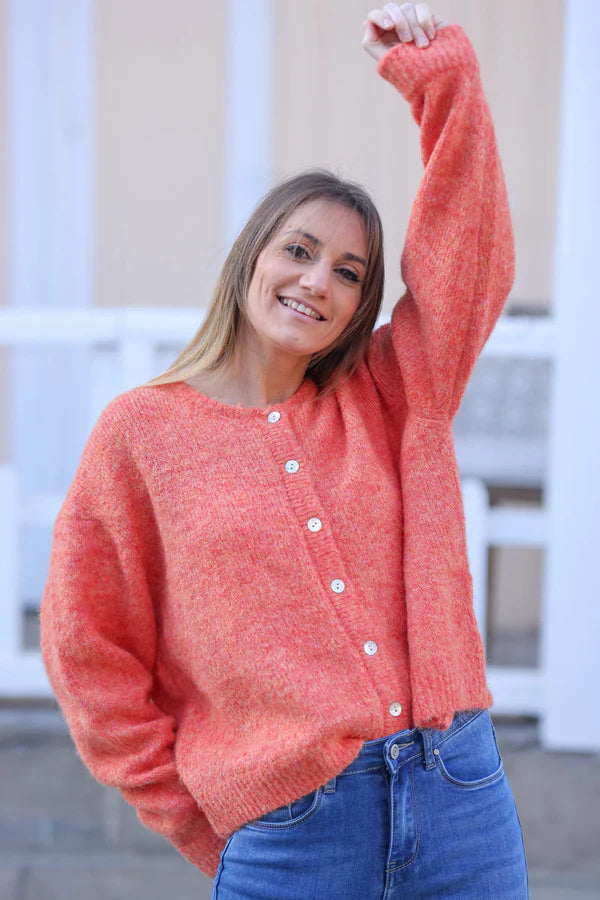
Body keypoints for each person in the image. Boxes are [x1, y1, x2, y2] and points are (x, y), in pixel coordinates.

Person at [40, 3, 529, 897]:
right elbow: (88, 650)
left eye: (349, 272)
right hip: (292, 830)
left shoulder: (393, 395)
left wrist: (444, 79)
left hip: (461, 798)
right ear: (250, 260)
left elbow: (471, 260)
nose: (318, 282)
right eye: (299, 250)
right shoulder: (141, 433)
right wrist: (205, 818)